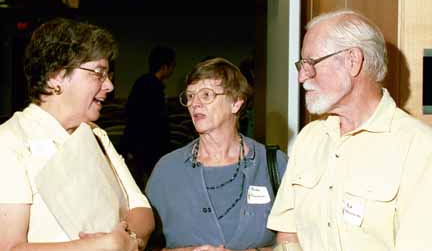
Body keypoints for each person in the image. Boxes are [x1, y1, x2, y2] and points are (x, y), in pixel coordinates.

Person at [267, 9, 432, 251]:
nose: (302, 76)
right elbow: (288, 233)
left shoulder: (419, 146)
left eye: (310, 63)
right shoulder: (309, 139)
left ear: (352, 61)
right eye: (302, 65)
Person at [0, 18, 154, 251]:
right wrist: (100, 246)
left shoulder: (96, 135)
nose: (110, 86)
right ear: (56, 76)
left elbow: (142, 212)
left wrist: (126, 239)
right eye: (99, 73)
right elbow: (9, 247)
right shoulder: (10, 141)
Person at [145, 57, 288, 251]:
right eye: (189, 96)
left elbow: (300, 240)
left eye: (206, 95)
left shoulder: (275, 165)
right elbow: (143, 245)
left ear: (236, 103)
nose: (194, 104)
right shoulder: (167, 170)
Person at [120, 45, 176, 190]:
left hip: (141, 147)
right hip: (146, 148)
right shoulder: (153, 87)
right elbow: (153, 122)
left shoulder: (143, 82)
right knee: (146, 187)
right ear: (165, 67)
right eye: (172, 66)